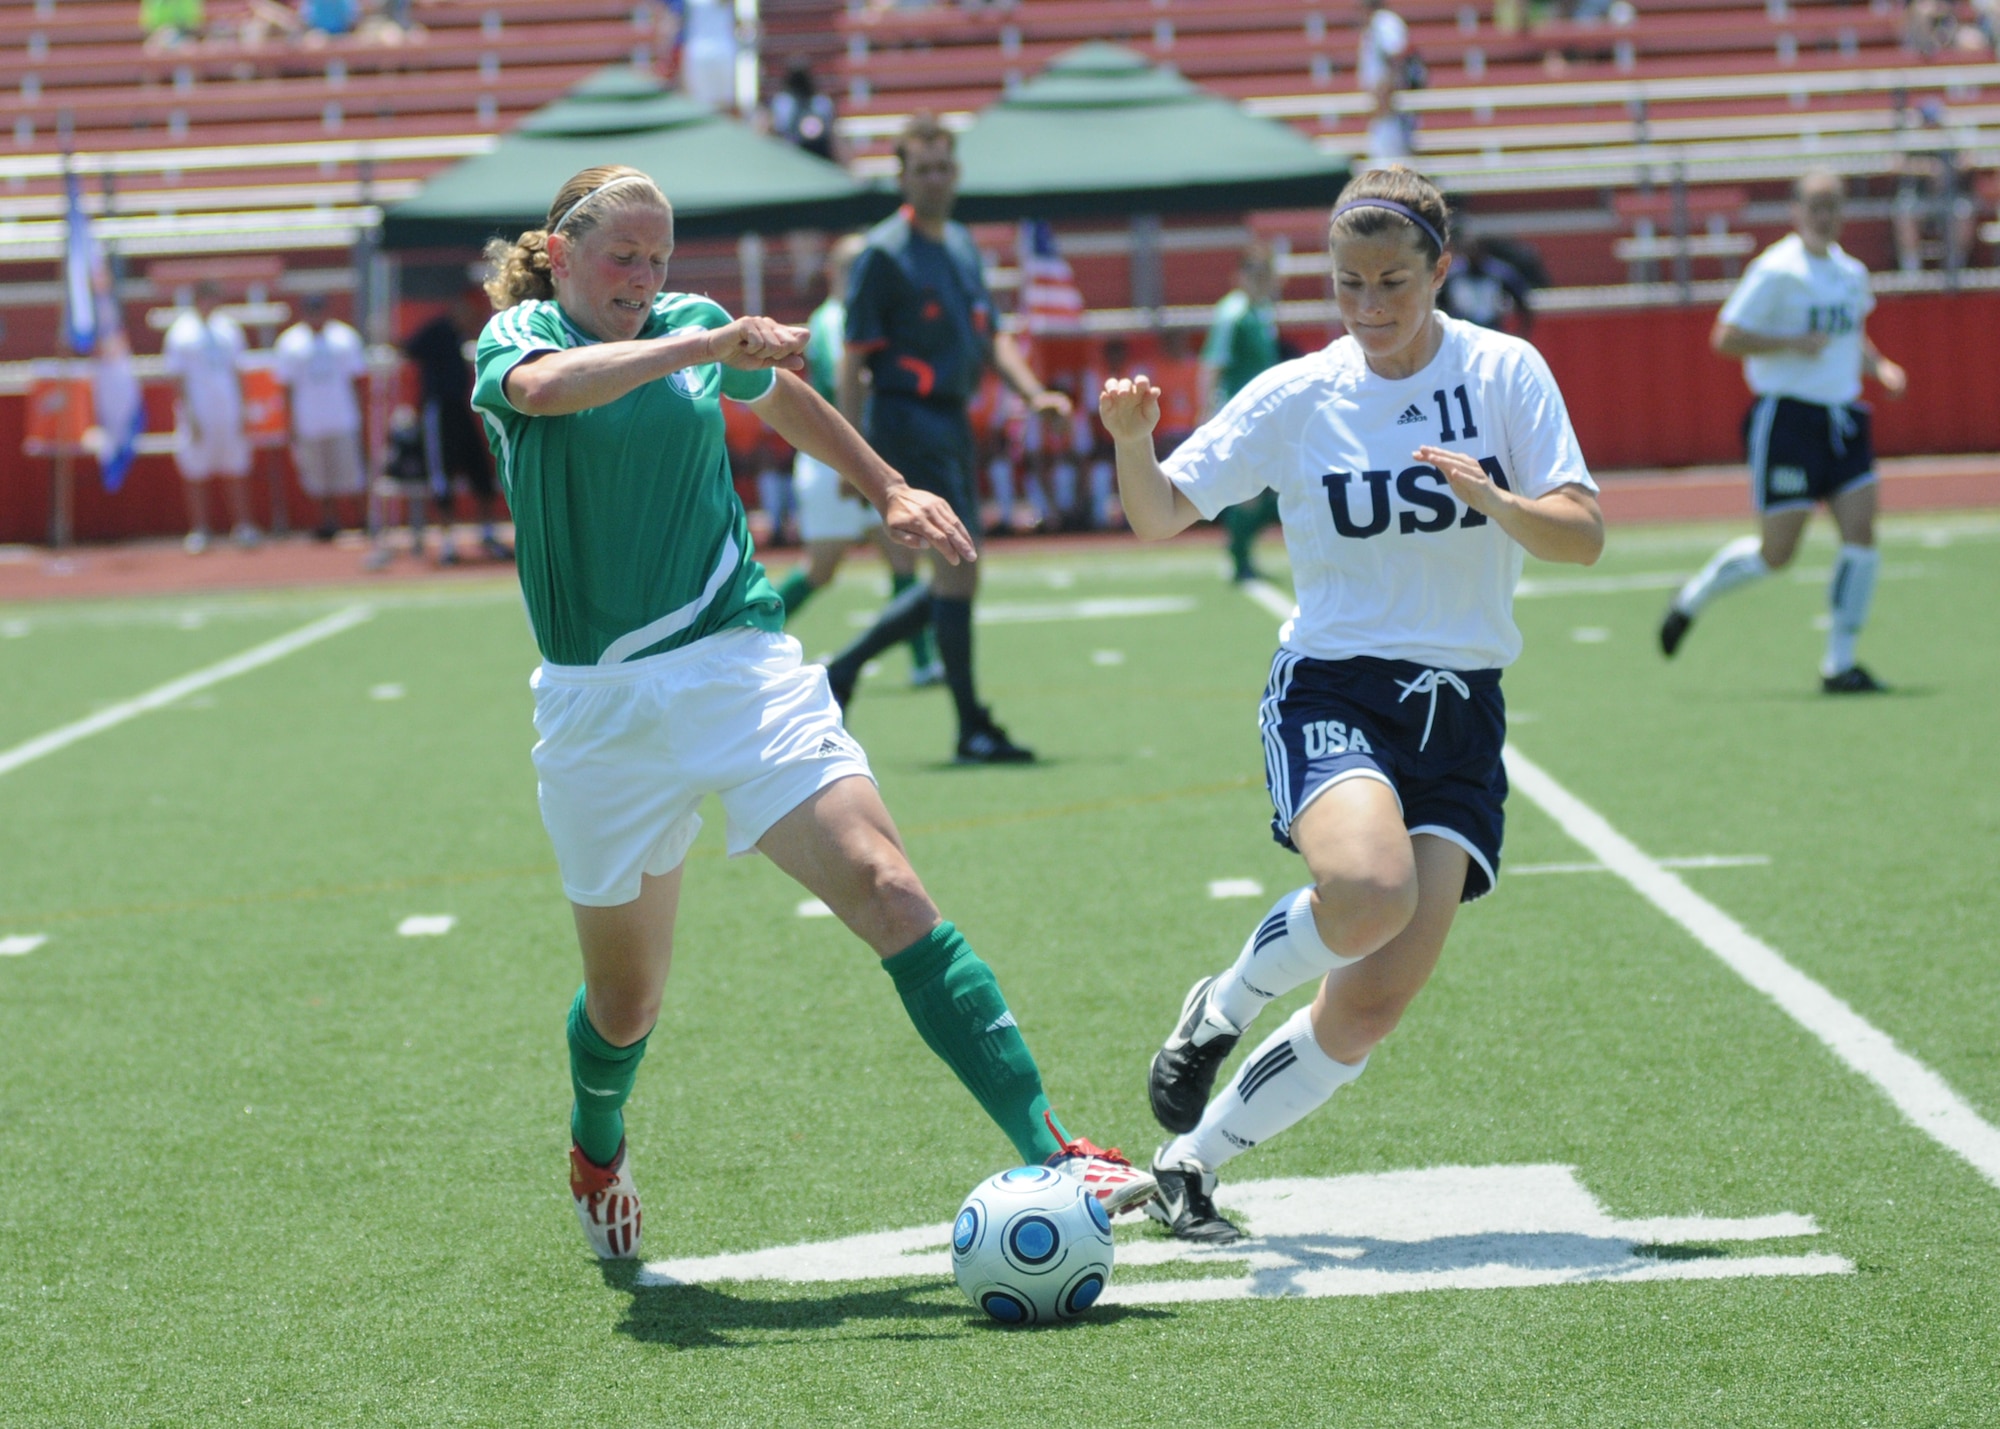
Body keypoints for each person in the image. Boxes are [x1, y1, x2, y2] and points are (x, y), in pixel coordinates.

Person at [470, 164, 1153, 1260]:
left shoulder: (691, 328)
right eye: (622, 258)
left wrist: (884, 486)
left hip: (738, 665)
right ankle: (596, 1143)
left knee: (887, 884)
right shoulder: (515, 343)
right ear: (559, 254)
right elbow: (556, 391)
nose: (645, 280)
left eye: (659, 259)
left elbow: (778, 394)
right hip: (598, 711)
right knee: (625, 1004)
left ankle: (1056, 1145)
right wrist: (704, 347)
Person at [1100, 166, 1603, 1243]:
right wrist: (1131, 439)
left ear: (1439, 271)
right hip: (1334, 685)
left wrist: (1495, 501)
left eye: (1390, 282)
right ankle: (1222, 1004)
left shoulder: (1504, 371)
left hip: (1459, 708)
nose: (1368, 308)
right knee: (1365, 888)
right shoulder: (1299, 393)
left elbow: (1580, 532)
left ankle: (1192, 1164)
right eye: (1346, 285)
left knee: (1371, 1001)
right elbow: (1155, 515)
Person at [819, 113, 1072, 764]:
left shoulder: (960, 243)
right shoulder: (883, 252)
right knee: (959, 568)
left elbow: (992, 337)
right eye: (922, 168)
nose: (935, 178)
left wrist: (1032, 393)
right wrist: (856, 459)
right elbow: (854, 360)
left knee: (957, 572)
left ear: (955, 173)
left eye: (943, 167)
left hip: (951, 420)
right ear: (902, 176)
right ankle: (969, 726)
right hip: (906, 420)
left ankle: (842, 673)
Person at [1659, 169, 1908, 693]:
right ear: (1796, 211)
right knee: (1777, 554)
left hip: (1843, 417)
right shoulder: (1776, 270)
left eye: (1833, 206)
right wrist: (1790, 343)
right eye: (1816, 205)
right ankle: (1694, 596)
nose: (1825, 216)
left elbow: (1848, 336)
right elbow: (1725, 337)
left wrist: (1879, 366)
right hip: (1790, 420)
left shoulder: (1851, 272)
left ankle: (1840, 662)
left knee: (1861, 533)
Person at [773, 235, 942, 686]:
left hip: (843, 453)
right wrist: (856, 462)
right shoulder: (835, 319)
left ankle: (924, 662)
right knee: (823, 568)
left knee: (898, 559)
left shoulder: (845, 316)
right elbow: (844, 380)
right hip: (838, 454)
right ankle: (741, 638)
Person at [404, 295, 511, 565]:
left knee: (480, 470)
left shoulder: (463, 337)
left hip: (462, 409)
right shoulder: (438, 331)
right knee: (442, 475)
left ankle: (487, 534)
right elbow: (408, 348)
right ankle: (447, 542)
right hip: (438, 410)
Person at [1204, 242, 1285, 583]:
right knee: (1250, 490)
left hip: (1264, 414)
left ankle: (1241, 552)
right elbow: (1212, 365)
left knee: (1274, 487)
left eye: (1265, 274)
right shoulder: (1232, 313)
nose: (1261, 281)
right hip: (1239, 413)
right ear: (1239, 276)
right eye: (1254, 274)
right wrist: (1208, 411)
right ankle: (1239, 558)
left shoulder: (1262, 311)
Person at [162, 281, 259, 554]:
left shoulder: (228, 329)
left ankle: (243, 526)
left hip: (227, 408)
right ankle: (200, 529)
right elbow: (177, 377)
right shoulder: (181, 333)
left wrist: (243, 409)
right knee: (196, 470)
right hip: (198, 410)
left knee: (236, 467)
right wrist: (188, 412)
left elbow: (238, 372)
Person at [272, 293, 368, 541]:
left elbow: (356, 380)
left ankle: (361, 518)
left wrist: (360, 416)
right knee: (318, 476)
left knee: (351, 473)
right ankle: (329, 521)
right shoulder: (290, 342)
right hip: (309, 420)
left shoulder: (344, 338)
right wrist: (290, 421)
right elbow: (287, 387)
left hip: (342, 416)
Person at [1439, 230, 1538, 336]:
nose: (1473, 255)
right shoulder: (1453, 275)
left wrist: (1522, 332)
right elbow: (1439, 302)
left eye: (1476, 250)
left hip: (1492, 328)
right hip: (1461, 331)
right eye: (1470, 251)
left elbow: (1522, 302)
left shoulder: (1499, 274)